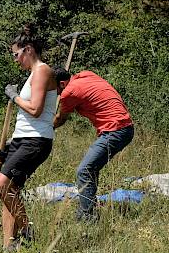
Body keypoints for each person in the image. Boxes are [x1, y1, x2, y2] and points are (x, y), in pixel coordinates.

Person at [0, 24, 57, 251]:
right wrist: (13, 140)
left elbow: (35, 109)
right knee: (10, 191)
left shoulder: (42, 71)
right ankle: (9, 247)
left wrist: (14, 97)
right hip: (23, 139)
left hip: (36, 140)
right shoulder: (32, 74)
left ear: (28, 50)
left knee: (1, 186)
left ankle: (27, 229)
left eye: (16, 54)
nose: (15, 59)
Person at [53, 68, 135, 222]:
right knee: (91, 169)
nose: (57, 94)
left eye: (56, 90)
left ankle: (88, 217)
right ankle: (87, 207)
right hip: (124, 127)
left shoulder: (68, 92)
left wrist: (44, 128)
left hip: (116, 130)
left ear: (62, 84)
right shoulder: (86, 75)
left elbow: (60, 119)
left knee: (84, 171)